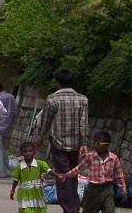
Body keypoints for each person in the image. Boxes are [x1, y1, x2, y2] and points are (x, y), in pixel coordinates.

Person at [34, 68, 89, 213]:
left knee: (62, 176)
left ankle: (70, 209)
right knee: (73, 175)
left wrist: (39, 140)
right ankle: (74, 206)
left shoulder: (52, 99)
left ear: (57, 82)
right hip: (76, 144)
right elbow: (84, 123)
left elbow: (45, 122)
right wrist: (84, 142)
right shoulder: (82, 99)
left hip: (58, 143)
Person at [56, 130, 127, 213]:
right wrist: (66, 175)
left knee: (110, 210)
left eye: (98, 144)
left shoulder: (113, 158)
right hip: (92, 190)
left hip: (107, 190)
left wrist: (124, 191)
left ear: (107, 145)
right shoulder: (91, 156)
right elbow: (79, 168)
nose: (95, 146)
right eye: (94, 143)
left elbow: (119, 176)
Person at [10, 141, 52, 213]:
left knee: (39, 209)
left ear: (34, 152)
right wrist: (13, 191)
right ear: (22, 153)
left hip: (37, 192)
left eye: (30, 151)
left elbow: (49, 171)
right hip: (24, 193)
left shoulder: (40, 163)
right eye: (25, 151)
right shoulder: (18, 167)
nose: (28, 153)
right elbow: (15, 180)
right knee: (26, 210)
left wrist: (58, 176)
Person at [0, 80, 18, 178]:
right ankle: (7, 170)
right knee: (4, 150)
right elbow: (15, 112)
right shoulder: (11, 97)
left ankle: (0, 171)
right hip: (7, 126)